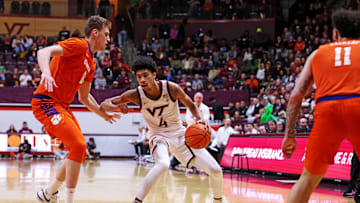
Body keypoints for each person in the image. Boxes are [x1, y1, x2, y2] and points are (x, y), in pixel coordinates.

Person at [100, 56, 224, 203]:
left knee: (216, 171)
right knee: (163, 164)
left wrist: (200, 119)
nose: (142, 80)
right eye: (139, 77)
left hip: (180, 135)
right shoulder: (135, 94)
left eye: (145, 75)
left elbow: (190, 105)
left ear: (154, 75)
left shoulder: (171, 88)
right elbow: (104, 104)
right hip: (158, 136)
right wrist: (116, 107)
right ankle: (137, 201)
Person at [32, 16, 122, 203]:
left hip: (62, 106)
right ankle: (68, 200)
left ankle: (48, 193)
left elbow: (84, 97)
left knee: (79, 150)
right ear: (95, 33)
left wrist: (102, 114)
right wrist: (46, 73)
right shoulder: (79, 45)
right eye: (106, 35)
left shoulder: (92, 63)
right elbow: (44, 52)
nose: (108, 39)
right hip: (46, 102)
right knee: (79, 146)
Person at [281, 10, 360, 203]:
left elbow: (295, 97)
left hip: (327, 111)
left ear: (335, 33)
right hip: (358, 105)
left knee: (307, 179)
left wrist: (289, 135)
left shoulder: (318, 53)